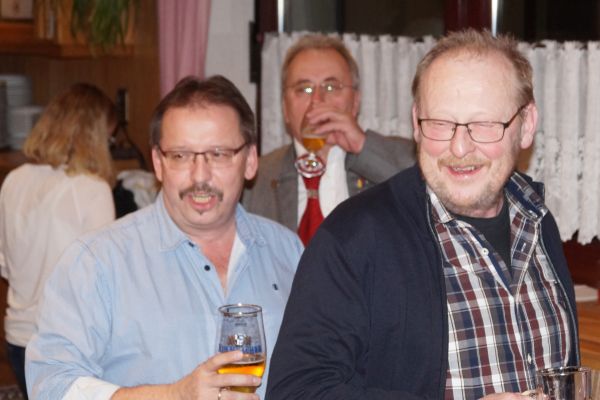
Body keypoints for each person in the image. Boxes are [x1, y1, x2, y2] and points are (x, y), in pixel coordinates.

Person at [265, 29, 579, 399]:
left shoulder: (537, 220)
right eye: (440, 123)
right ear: (416, 123)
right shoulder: (352, 238)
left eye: (484, 125)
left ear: (526, 125)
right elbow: (296, 391)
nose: (459, 148)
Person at [25, 75, 303, 399]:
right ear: (158, 163)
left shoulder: (289, 252)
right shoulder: (96, 261)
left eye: (219, 153)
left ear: (251, 161)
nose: (200, 176)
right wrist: (174, 395)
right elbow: (51, 386)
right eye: (181, 156)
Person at [0, 83, 117, 399]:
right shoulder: (91, 189)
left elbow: (5, 264)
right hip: (66, 342)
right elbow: (106, 278)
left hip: (18, 336)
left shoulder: (14, 179)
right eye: (108, 137)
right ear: (94, 136)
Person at [242, 34, 415, 244]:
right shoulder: (257, 176)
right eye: (304, 89)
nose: (317, 100)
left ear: (355, 102)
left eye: (331, 87)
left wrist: (362, 145)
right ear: (285, 108)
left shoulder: (385, 162)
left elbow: (426, 192)